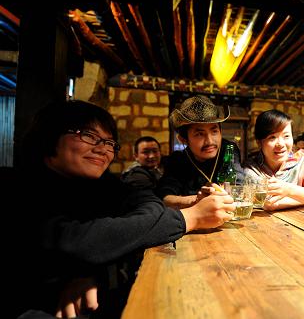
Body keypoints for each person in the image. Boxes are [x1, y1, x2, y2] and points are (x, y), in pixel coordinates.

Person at [6, 100, 234, 318]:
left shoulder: (103, 184)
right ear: (49, 135)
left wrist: (88, 270)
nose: (102, 149)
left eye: (109, 143)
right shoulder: (17, 187)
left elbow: (151, 204)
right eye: (88, 135)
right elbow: (71, 242)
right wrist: (189, 218)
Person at [156, 95, 244, 208]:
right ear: (183, 140)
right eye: (199, 134)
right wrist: (196, 200)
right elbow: (165, 197)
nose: (210, 141)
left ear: (221, 132)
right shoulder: (178, 160)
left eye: (214, 131)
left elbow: (239, 184)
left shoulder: (228, 149)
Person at [243, 109, 304, 211]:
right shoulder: (252, 168)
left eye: (286, 136)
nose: (281, 144)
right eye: (272, 137)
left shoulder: (300, 161)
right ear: (259, 142)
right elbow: (269, 203)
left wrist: (289, 189)